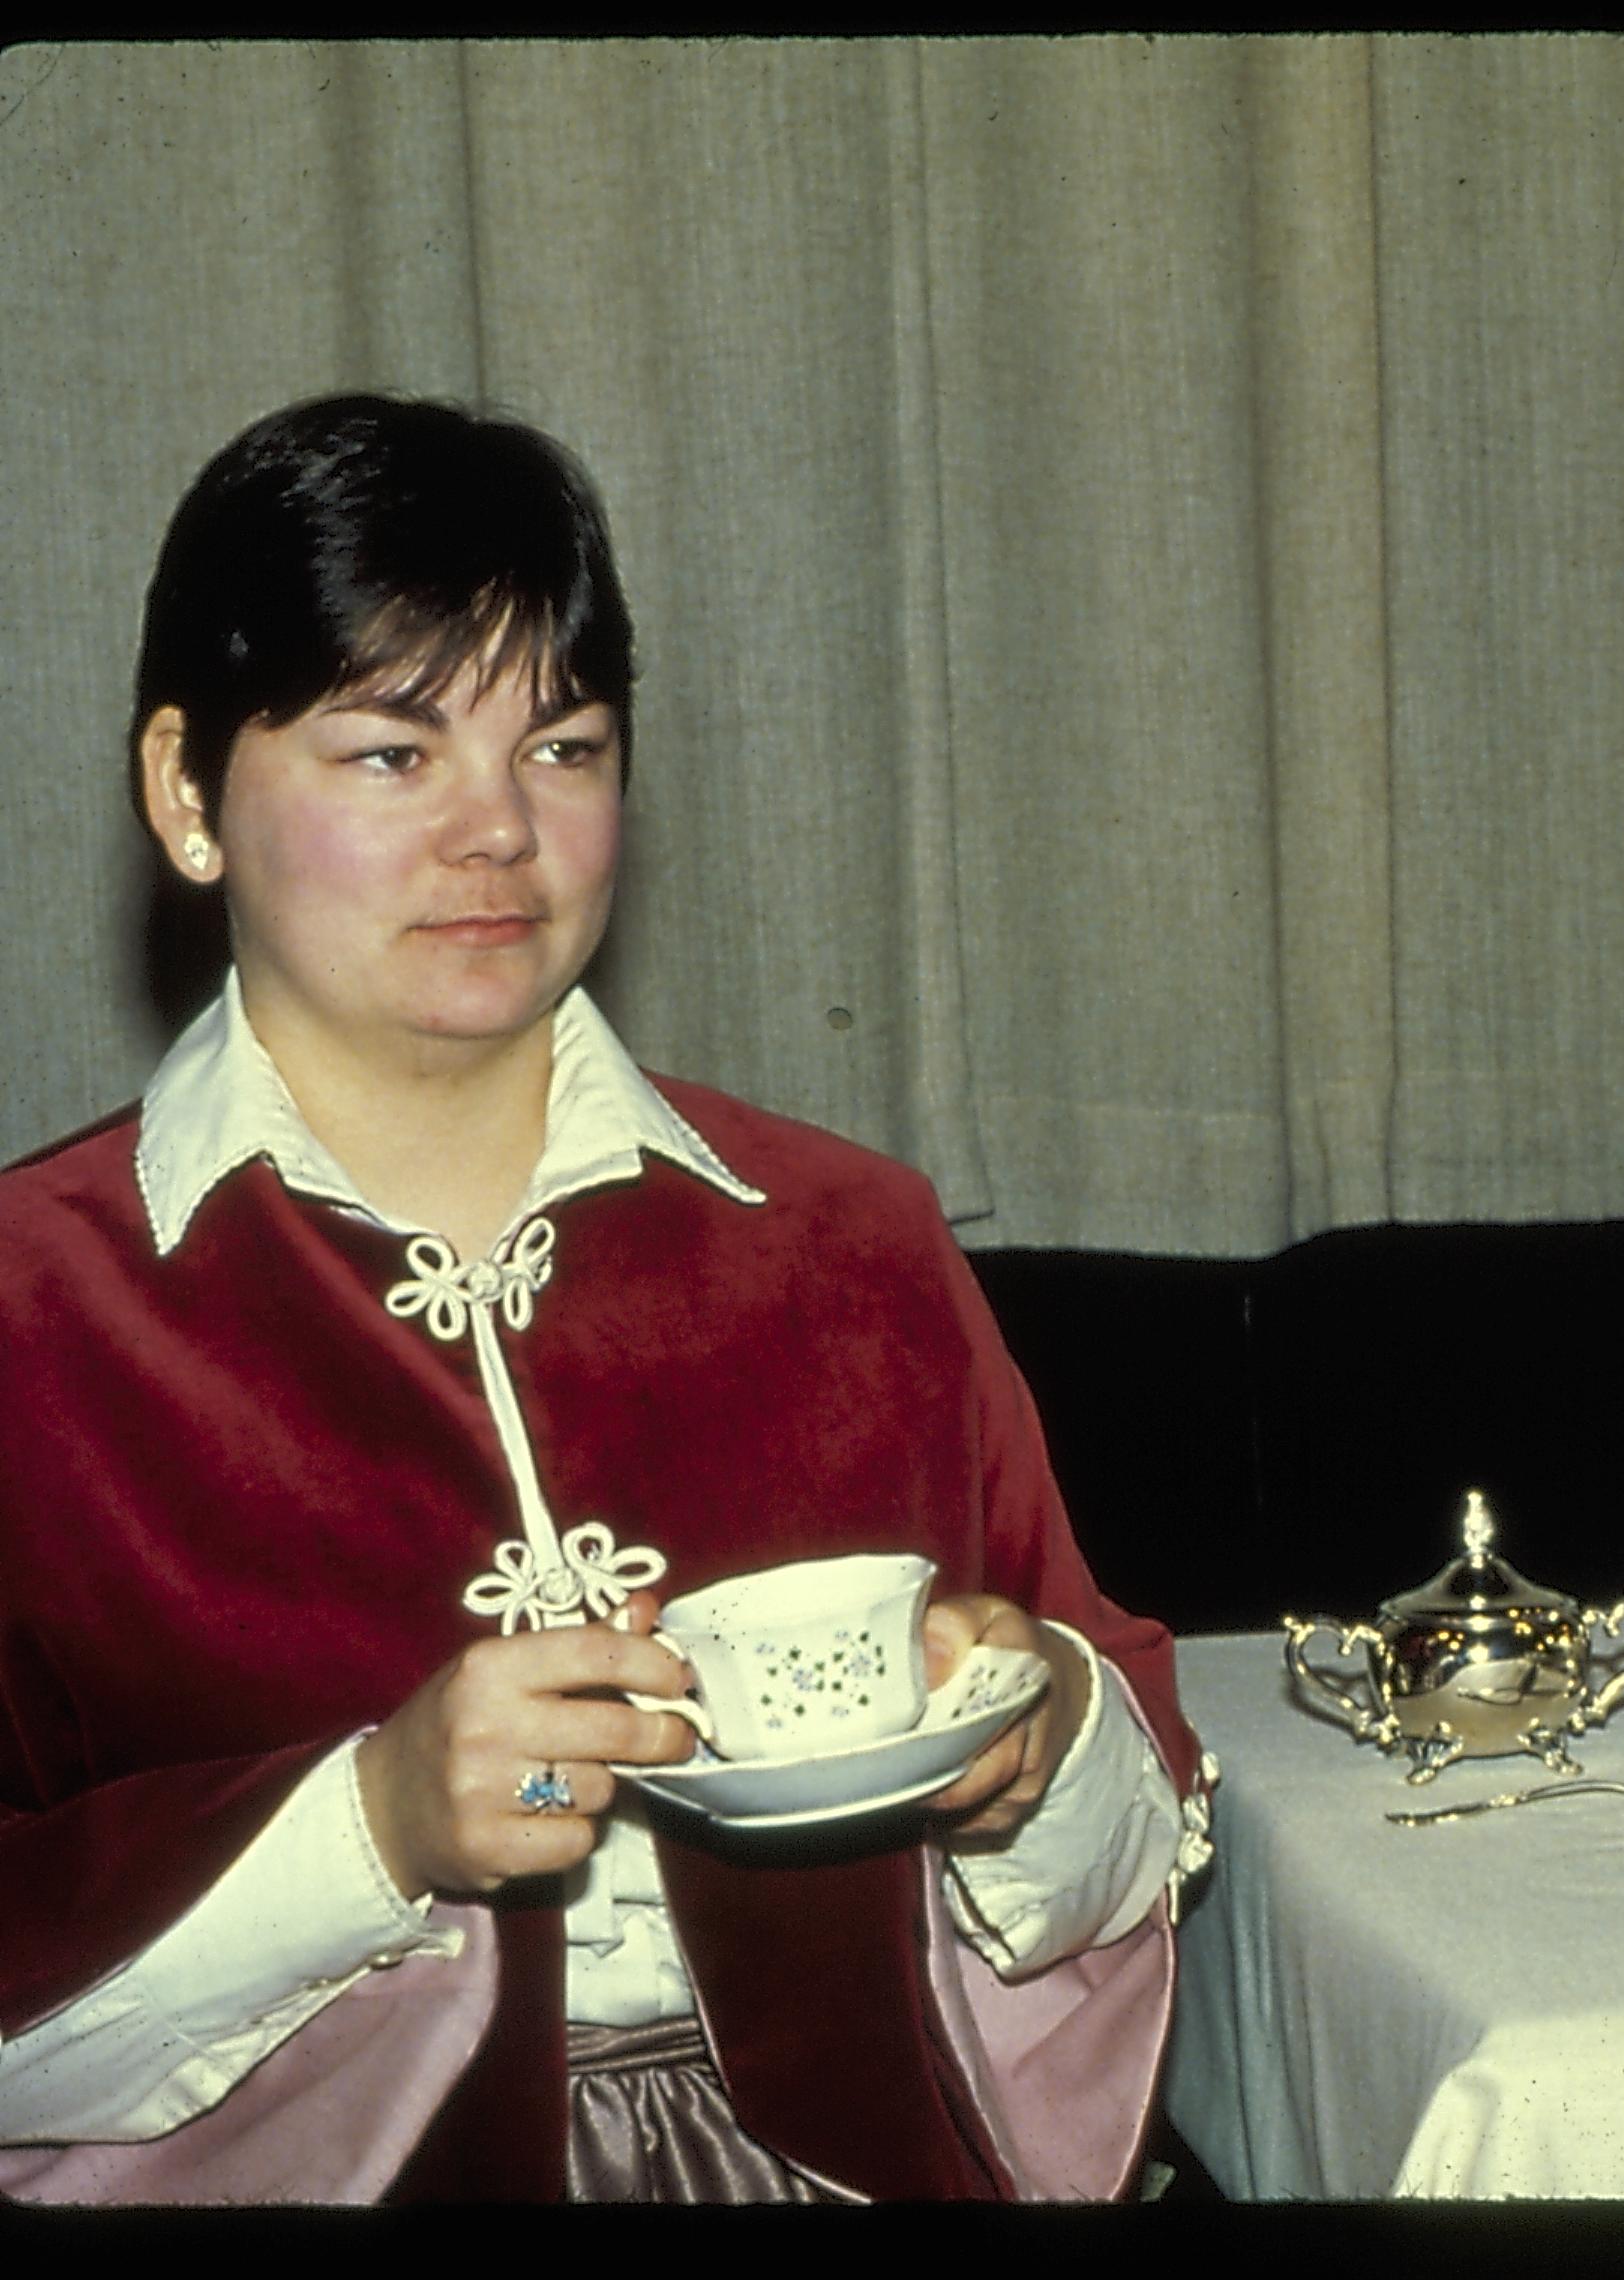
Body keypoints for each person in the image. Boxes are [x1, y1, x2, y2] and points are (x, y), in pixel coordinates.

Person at [0, 394, 1211, 2201]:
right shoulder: (38, 1316)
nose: (498, 832)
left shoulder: (848, 1241)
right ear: (184, 791)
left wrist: (1039, 1748)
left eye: (562, 746)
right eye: (390, 754)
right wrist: (372, 1825)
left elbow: (1145, 1799)